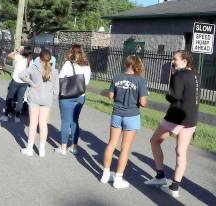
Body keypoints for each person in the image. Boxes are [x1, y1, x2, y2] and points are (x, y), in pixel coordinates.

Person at [144, 50, 200, 198]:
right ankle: (174, 188)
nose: (172, 62)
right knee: (181, 152)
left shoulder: (178, 75)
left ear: (185, 61)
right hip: (191, 119)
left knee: (154, 141)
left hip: (175, 118)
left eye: (175, 59)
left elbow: (174, 97)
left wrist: (167, 95)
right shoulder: (196, 75)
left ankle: (160, 176)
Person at [100, 55, 148, 189]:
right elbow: (143, 103)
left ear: (126, 64)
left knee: (111, 144)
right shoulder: (140, 80)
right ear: (136, 65)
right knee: (125, 148)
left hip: (117, 113)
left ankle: (105, 174)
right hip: (131, 116)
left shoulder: (117, 77)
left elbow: (110, 96)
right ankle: (118, 178)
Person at [18, 49, 59, 157]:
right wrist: (50, 98)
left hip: (34, 98)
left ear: (39, 58)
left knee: (33, 123)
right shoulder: (54, 71)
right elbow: (57, 90)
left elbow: (21, 75)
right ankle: (42, 150)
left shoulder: (34, 68)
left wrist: (32, 83)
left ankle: (30, 149)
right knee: (43, 124)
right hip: (47, 100)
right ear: (50, 59)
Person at [55, 45, 91, 155]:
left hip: (67, 95)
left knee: (66, 121)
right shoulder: (87, 66)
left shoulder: (67, 64)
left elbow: (60, 78)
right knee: (75, 121)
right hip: (80, 95)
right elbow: (86, 83)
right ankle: (74, 147)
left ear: (71, 53)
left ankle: (63, 147)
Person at [0, 46, 33, 123]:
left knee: (10, 97)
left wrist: (16, 50)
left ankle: (6, 115)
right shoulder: (30, 61)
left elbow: (9, 55)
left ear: (24, 51)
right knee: (20, 99)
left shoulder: (19, 57)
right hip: (24, 82)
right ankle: (17, 117)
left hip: (16, 81)